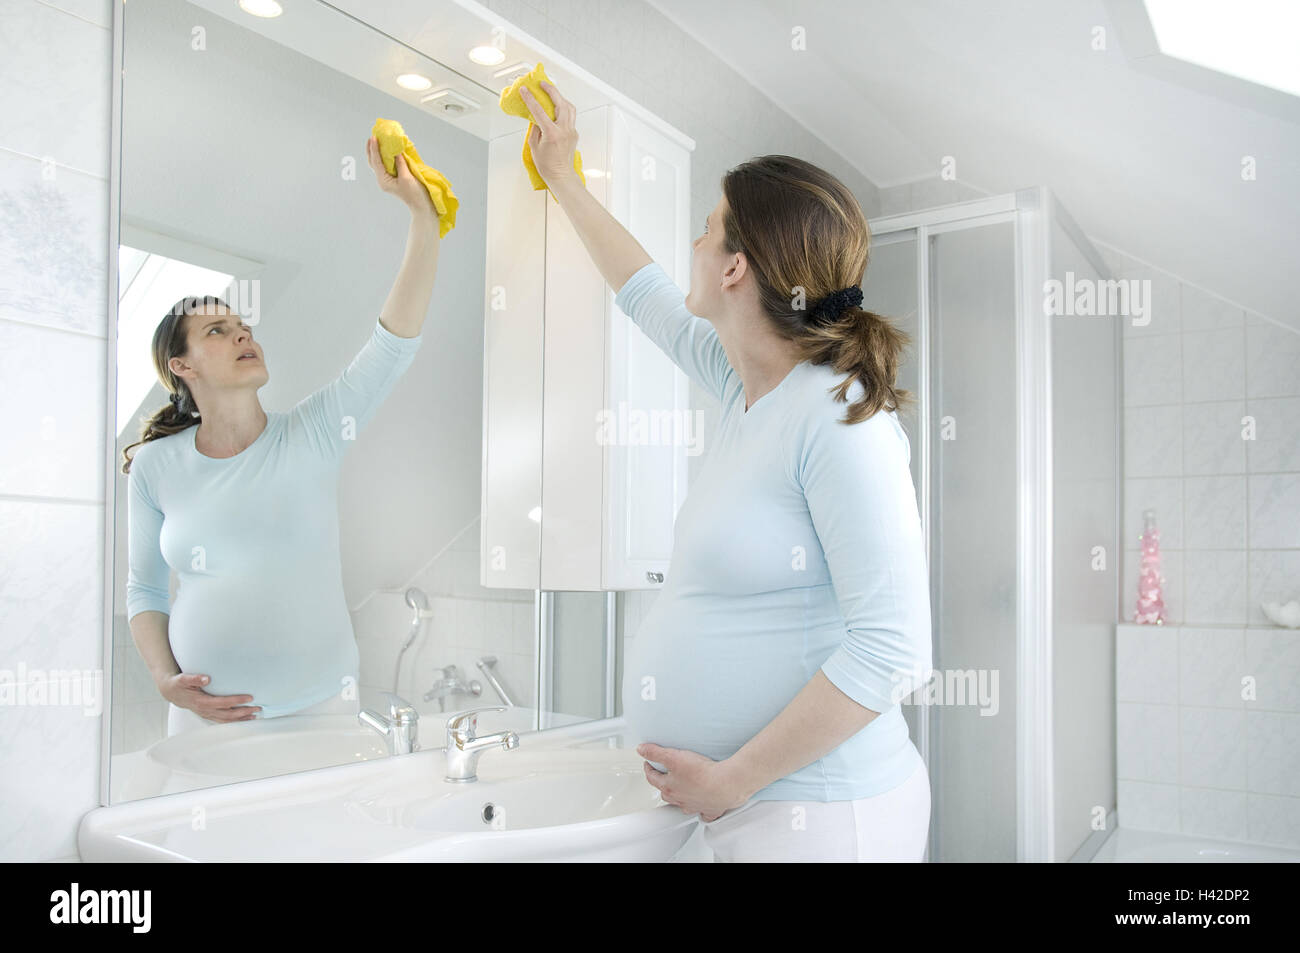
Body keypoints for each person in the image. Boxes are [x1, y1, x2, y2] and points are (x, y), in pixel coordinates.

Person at [517, 81, 934, 862]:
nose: (693, 245)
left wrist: (735, 779)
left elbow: (894, 649)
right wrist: (564, 177)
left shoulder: (839, 417)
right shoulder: (750, 390)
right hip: (752, 809)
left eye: (704, 231)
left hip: (826, 814)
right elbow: (643, 294)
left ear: (738, 266)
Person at [122, 137, 441, 736]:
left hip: (320, 711)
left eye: (244, 326)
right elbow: (144, 588)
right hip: (204, 718)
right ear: (183, 367)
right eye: (219, 330)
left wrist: (421, 217)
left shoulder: (314, 432)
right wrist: (167, 681)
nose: (245, 335)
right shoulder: (156, 466)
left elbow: (393, 345)